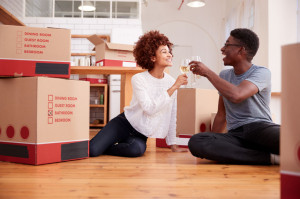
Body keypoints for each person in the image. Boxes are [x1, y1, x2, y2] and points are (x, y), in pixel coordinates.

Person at [188, 28, 280, 165]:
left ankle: (254, 153)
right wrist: (214, 139)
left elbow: (237, 95)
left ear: (241, 50)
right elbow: (221, 114)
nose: (222, 49)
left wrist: (208, 73)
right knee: (197, 141)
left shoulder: (262, 72)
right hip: (235, 134)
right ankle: (270, 158)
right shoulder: (225, 75)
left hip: (260, 128)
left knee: (288, 139)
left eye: (227, 44)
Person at [89, 30, 188, 157]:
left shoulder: (171, 82)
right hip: (124, 124)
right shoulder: (139, 79)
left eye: (169, 51)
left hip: (141, 133)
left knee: (136, 150)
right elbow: (149, 109)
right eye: (164, 52)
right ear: (152, 57)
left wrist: (173, 145)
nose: (169, 55)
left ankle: (105, 147)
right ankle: (99, 145)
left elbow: (172, 115)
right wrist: (174, 87)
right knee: (92, 150)